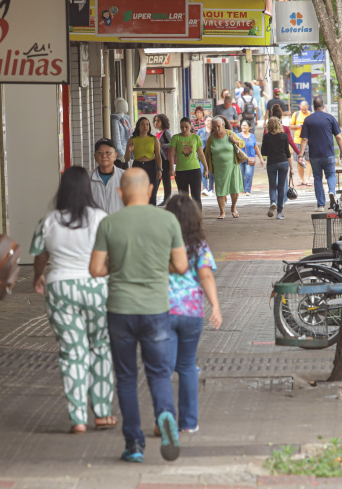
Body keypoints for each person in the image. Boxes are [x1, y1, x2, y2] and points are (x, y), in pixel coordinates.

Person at [89, 168, 188, 463]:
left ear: (120, 193)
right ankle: (166, 416)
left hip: (119, 310)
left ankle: (134, 444)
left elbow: (95, 269)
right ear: (148, 191)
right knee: (158, 373)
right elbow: (182, 266)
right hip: (156, 309)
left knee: (126, 378)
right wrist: (158, 268)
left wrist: (117, 269)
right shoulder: (167, 219)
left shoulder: (109, 223)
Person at [31, 167, 116, 433]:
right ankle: (102, 414)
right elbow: (113, 254)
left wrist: (38, 277)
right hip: (96, 287)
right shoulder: (102, 218)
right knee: (101, 347)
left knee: (72, 352)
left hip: (60, 287)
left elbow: (39, 255)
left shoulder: (49, 220)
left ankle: (78, 418)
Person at [164, 195, 222, 433]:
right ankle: (188, 423)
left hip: (163, 311)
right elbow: (206, 276)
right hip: (192, 313)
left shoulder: (161, 243)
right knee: (187, 366)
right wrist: (215, 306)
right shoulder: (200, 246)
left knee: (163, 368)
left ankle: (165, 417)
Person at [299, 96, 342, 211]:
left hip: (314, 155)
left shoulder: (308, 120)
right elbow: (338, 137)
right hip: (328, 153)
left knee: (318, 178)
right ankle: (332, 192)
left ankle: (320, 205)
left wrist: (301, 155)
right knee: (331, 174)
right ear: (324, 106)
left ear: (313, 107)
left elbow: (304, 139)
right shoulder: (330, 118)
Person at [204, 116, 245, 219]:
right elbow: (207, 154)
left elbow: (242, 143)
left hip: (233, 167)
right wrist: (207, 168)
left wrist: (234, 141)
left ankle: (233, 207)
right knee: (220, 190)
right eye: (214, 127)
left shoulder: (230, 134)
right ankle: (222, 212)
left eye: (218, 126)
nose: (217, 129)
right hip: (219, 169)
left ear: (223, 125)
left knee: (235, 189)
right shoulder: (211, 138)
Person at [169, 117, 209, 209]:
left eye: (186, 127)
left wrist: (206, 168)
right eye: (182, 127)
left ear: (190, 126)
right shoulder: (176, 138)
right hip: (180, 171)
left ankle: (197, 218)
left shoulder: (196, 137)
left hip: (195, 170)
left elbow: (201, 154)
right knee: (183, 198)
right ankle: (185, 218)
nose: (184, 129)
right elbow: (171, 155)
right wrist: (171, 168)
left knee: (196, 196)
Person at [124, 116, 163, 206]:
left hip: (151, 166)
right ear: (138, 127)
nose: (145, 126)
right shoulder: (132, 140)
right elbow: (126, 158)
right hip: (138, 166)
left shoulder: (154, 139)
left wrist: (160, 169)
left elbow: (158, 156)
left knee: (152, 194)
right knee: (139, 193)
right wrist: (129, 151)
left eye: (147, 124)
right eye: (142, 124)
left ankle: (152, 215)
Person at [262, 117, 292, 220]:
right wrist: (291, 166)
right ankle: (279, 212)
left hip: (272, 163)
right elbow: (287, 152)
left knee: (272, 186)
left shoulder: (266, 137)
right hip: (283, 162)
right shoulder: (284, 136)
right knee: (281, 187)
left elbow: (263, 152)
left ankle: (273, 202)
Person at [90, 138, 125, 214]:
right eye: (100, 153)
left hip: (118, 224)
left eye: (108, 152)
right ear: (95, 156)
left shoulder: (125, 177)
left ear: (115, 156)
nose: (104, 156)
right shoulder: (87, 179)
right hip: (96, 225)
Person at [239, 121, 264, 196]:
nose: (243, 127)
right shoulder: (237, 135)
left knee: (248, 173)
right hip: (240, 158)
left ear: (249, 127)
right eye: (242, 125)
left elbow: (256, 147)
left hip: (250, 158)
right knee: (241, 174)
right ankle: (242, 189)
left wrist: (261, 158)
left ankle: (247, 190)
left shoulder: (252, 136)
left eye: (245, 126)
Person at [292, 100, 312, 186]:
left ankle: (307, 179)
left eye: (305, 109)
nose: (303, 111)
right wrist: (297, 126)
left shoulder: (311, 115)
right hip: (297, 140)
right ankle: (302, 179)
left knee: (308, 160)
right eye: (302, 109)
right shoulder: (296, 114)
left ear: (308, 107)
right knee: (299, 161)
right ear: (300, 106)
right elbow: (290, 126)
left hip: (308, 140)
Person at [110, 98, 133, 170]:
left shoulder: (126, 119)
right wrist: (121, 153)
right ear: (118, 106)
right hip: (119, 155)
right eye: (123, 104)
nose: (126, 106)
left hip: (126, 152)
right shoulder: (115, 120)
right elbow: (116, 138)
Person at [156, 114, 173, 206]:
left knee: (166, 179)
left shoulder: (166, 132)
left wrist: (162, 146)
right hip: (158, 159)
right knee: (159, 178)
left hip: (165, 159)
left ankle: (167, 199)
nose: (156, 123)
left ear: (163, 122)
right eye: (155, 121)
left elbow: (173, 144)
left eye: (158, 121)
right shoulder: (157, 132)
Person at [198, 117, 215, 197]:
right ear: (204, 122)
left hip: (212, 155)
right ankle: (205, 188)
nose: (209, 122)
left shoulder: (215, 131)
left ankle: (211, 189)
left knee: (211, 172)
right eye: (207, 121)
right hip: (203, 154)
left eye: (211, 121)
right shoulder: (200, 131)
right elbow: (196, 142)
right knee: (203, 171)